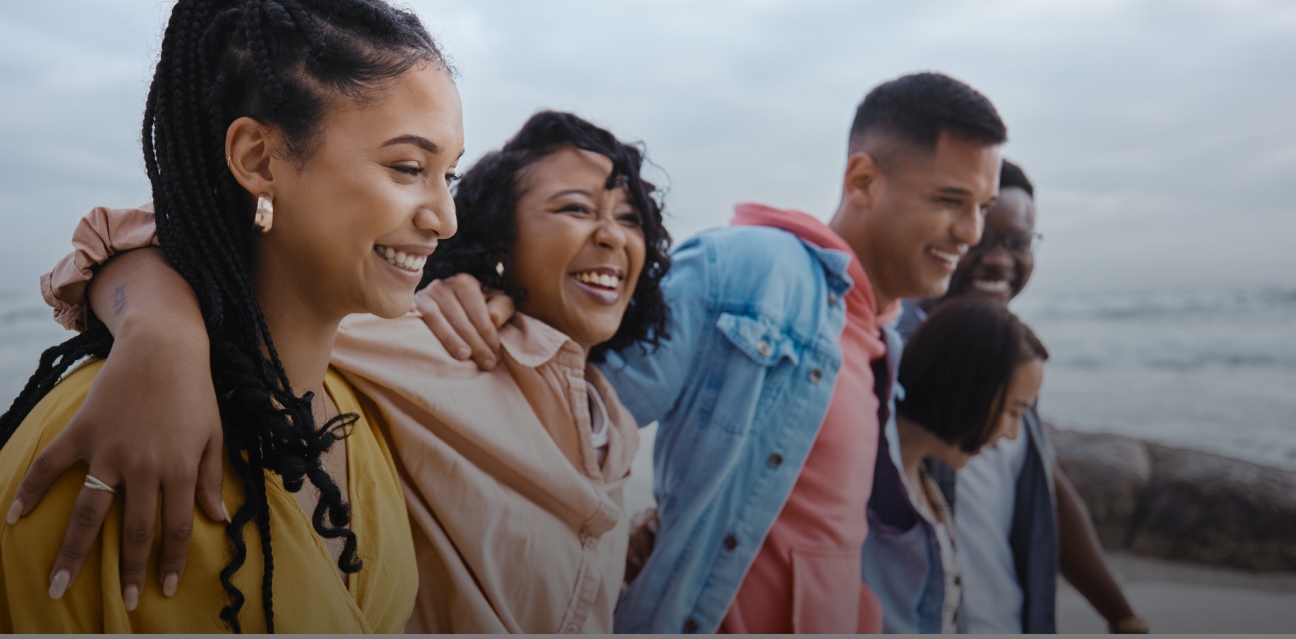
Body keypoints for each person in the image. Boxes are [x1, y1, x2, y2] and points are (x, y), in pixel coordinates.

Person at [0, 111, 674, 632]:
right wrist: (158, 326)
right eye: (575, 209)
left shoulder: (611, 417)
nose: (613, 235)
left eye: (628, 216)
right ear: (496, 234)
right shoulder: (435, 343)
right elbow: (227, 259)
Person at [0, 0, 462, 632]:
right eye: (409, 168)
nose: (445, 219)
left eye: (451, 175)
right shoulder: (114, 446)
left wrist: (155, 319)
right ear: (258, 159)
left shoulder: (355, 412)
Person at [415, 71, 1006, 633]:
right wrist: (471, 287)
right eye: (951, 200)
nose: (972, 232)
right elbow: (571, 403)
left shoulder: (884, 332)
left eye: (982, 207)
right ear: (862, 181)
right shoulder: (749, 271)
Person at [898, 160, 1148, 634]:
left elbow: (1043, 486)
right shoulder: (888, 353)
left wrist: (1120, 613)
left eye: (1017, 242)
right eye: (978, 240)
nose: (998, 259)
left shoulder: (1009, 358)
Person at [863, 297, 1048, 633]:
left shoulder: (922, 478)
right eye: (1013, 412)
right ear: (970, 387)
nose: (1011, 434)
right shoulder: (865, 486)